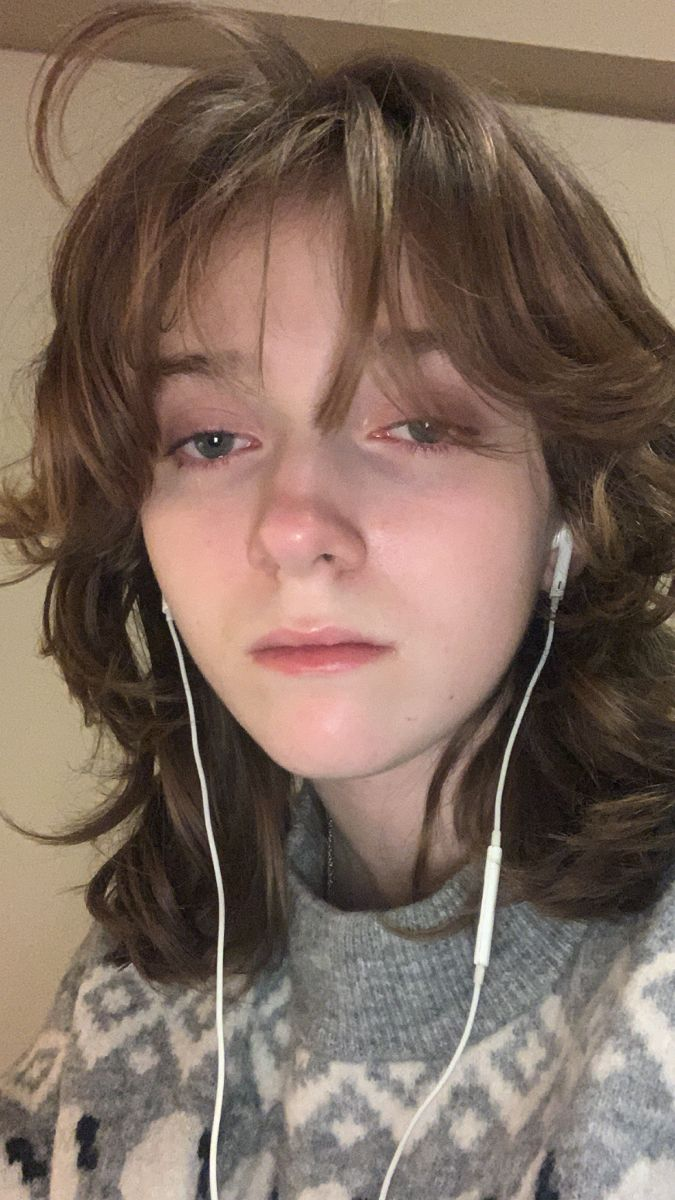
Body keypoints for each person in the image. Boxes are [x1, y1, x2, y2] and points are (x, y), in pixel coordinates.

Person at [0, 3, 673, 1198]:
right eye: (210, 439)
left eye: (417, 424)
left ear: (569, 505)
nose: (294, 528)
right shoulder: (135, 981)